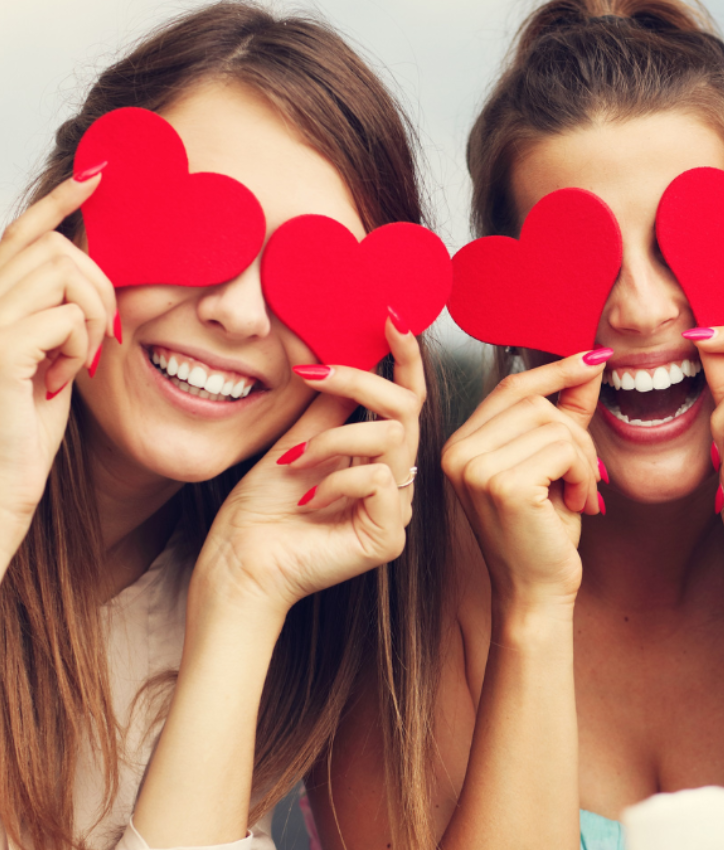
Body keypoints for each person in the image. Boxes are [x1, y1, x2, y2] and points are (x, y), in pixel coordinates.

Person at [314, 2, 724, 849]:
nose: (641, 310)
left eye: (684, 247)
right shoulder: (397, 592)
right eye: (586, 260)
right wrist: (532, 609)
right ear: (513, 299)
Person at [0, 5, 445, 848]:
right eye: (194, 229)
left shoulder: (270, 620)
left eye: (311, 272)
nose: (240, 313)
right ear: (71, 222)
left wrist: (243, 595)